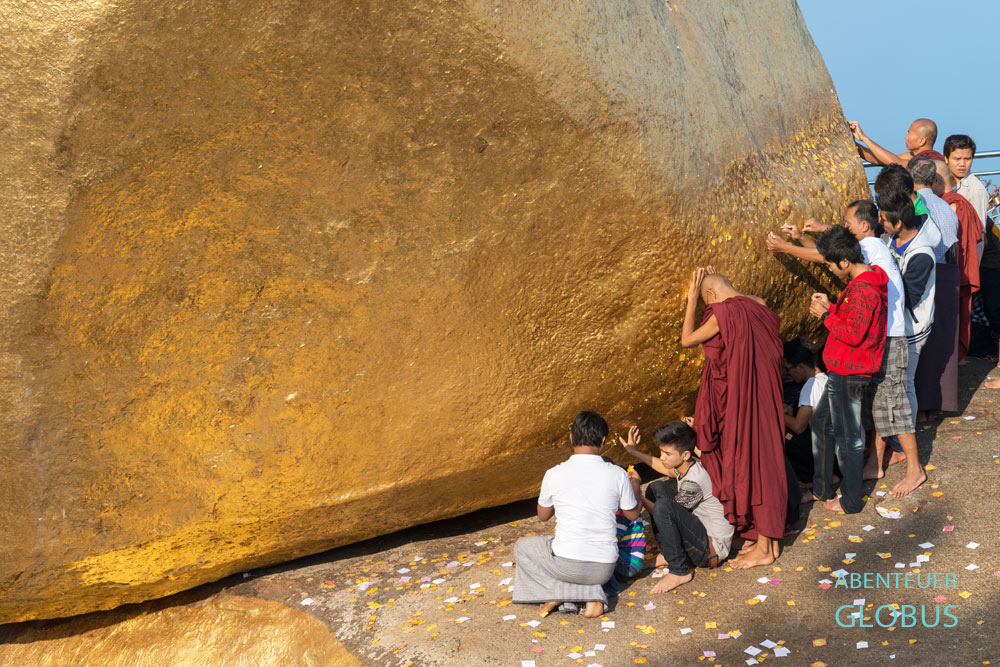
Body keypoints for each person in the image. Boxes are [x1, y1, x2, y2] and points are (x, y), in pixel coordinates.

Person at [680, 267, 786, 568]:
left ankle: (766, 550)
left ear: (711, 297)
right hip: (767, 399)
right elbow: (746, 299)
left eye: (707, 301)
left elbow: (687, 339)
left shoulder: (722, 314)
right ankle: (765, 541)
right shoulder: (759, 306)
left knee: (753, 465)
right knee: (766, 462)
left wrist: (692, 300)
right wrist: (720, 285)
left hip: (744, 402)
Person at [512, 411, 639, 618]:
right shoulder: (617, 474)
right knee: (560, 547)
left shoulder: (554, 473)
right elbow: (632, 514)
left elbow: (543, 516)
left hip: (566, 563)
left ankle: (572, 593)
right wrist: (635, 484)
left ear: (571, 438)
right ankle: (590, 594)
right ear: (604, 441)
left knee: (522, 547)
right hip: (604, 569)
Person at [808, 227, 888, 513]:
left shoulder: (865, 287)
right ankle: (821, 487)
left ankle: (852, 500)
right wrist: (833, 306)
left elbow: (853, 334)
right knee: (821, 424)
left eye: (829, 263)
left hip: (850, 369)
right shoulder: (865, 281)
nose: (829, 268)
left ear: (844, 261)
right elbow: (857, 322)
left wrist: (827, 315)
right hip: (841, 367)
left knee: (849, 437)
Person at [620, 422, 733, 593]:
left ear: (686, 454)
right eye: (661, 452)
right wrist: (634, 452)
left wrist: (636, 492)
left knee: (663, 507)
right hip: (701, 532)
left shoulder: (694, 481)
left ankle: (679, 570)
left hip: (711, 550)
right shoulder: (687, 466)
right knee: (655, 488)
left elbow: (665, 514)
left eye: (667, 453)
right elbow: (664, 469)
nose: (662, 457)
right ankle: (669, 553)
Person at [908, 156, 959, 417]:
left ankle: (921, 405)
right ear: (934, 180)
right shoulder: (946, 207)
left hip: (924, 273)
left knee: (920, 338)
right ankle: (940, 402)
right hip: (949, 273)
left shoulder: (914, 206)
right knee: (942, 339)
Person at [935, 160, 982, 362]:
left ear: (936, 180)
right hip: (960, 268)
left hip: (952, 269)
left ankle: (953, 359)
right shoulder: (957, 202)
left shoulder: (952, 203)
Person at [782, 339, 827, 494]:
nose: (788, 374)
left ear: (801, 366)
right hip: (840, 447)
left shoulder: (811, 385)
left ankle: (811, 477)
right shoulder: (824, 378)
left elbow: (798, 427)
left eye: (789, 369)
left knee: (784, 439)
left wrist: (776, 413)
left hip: (831, 455)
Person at [945, 134, 989, 240]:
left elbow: (979, 233)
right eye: (957, 159)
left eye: (967, 159)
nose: (962, 164)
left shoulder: (976, 190)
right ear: (946, 159)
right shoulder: (939, 182)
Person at [848, 118, 943, 166]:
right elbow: (879, 159)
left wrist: (865, 139)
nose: (906, 138)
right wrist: (852, 143)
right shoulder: (910, 156)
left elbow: (897, 163)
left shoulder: (930, 161)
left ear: (921, 141)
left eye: (909, 134)